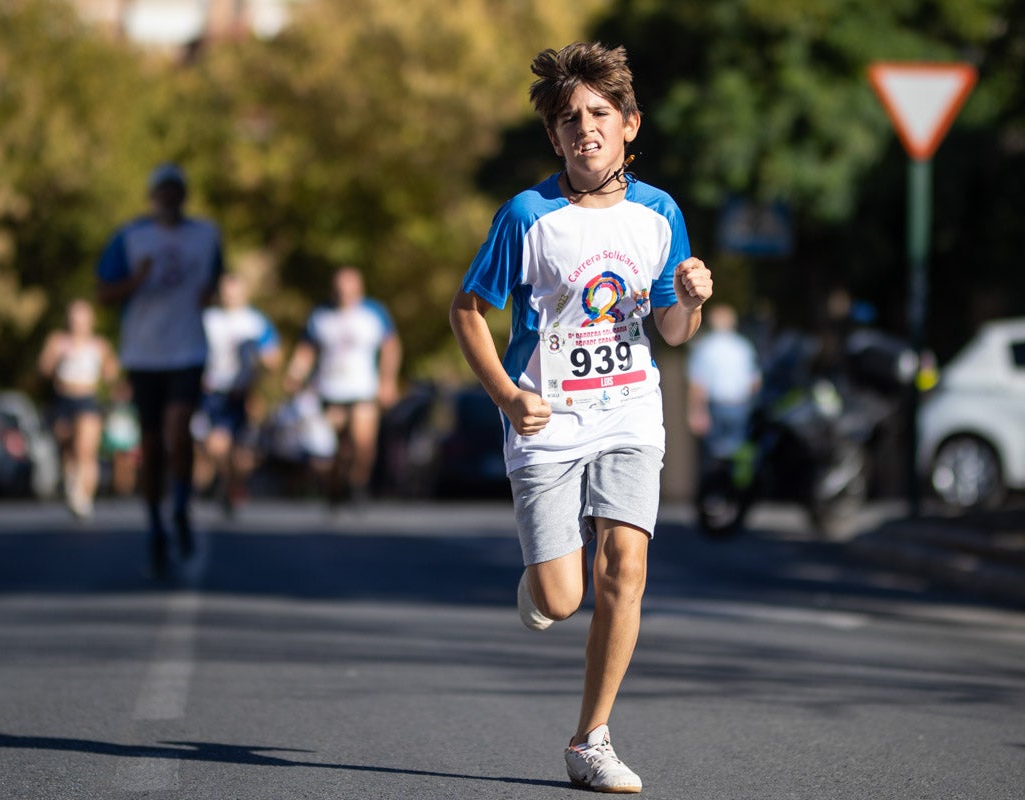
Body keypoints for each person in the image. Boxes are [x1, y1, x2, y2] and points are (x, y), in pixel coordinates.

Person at [449, 42, 713, 793]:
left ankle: (590, 740)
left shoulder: (660, 213)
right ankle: (539, 582)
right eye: (569, 121)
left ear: (630, 124)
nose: (585, 130)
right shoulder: (528, 218)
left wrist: (688, 300)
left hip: (631, 411)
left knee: (625, 568)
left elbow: (670, 332)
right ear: (554, 137)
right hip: (547, 419)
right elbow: (467, 310)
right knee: (564, 599)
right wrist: (507, 395)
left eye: (600, 115)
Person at [96, 163, 224, 577]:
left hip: (187, 349)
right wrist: (137, 280)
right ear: (152, 196)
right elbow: (104, 293)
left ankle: (182, 508)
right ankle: (155, 524)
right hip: (143, 354)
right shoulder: (130, 236)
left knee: (179, 427)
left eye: (176, 190)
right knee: (150, 447)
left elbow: (215, 282)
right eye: (162, 191)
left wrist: (210, 294)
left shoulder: (206, 235)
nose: (169, 198)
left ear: (184, 195)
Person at [284, 266, 400, 506]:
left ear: (359, 289)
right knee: (335, 450)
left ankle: (358, 485)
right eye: (339, 289)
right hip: (329, 390)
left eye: (349, 289)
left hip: (362, 390)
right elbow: (306, 350)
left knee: (362, 442)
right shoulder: (320, 315)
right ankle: (335, 488)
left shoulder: (374, 313)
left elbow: (391, 347)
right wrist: (295, 375)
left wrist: (387, 381)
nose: (344, 294)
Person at [199, 273, 281, 513]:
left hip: (241, 391)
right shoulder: (208, 319)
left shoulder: (255, 322)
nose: (229, 294)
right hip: (213, 391)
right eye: (225, 289)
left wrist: (260, 372)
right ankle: (226, 484)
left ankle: (232, 486)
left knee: (239, 451)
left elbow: (272, 357)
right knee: (214, 445)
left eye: (233, 289)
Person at [37, 299, 119, 519]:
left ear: (90, 320)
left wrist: (108, 376)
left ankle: (84, 497)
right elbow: (43, 368)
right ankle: (72, 484)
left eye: (82, 318)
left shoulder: (99, 345)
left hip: (87, 399)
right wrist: (56, 358)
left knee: (85, 448)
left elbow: (111, 372)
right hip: (63, 398)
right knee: (66, 447)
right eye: (74, 318)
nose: (77, 323)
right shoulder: (58, 341)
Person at [686, 303, 761, 462]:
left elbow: (697, 384)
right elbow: (755, 382)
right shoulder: (743, 346)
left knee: (713, 458)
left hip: (716, 407)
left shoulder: (704, 347)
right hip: (740, 405)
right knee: (738, 456)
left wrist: (696, 412)